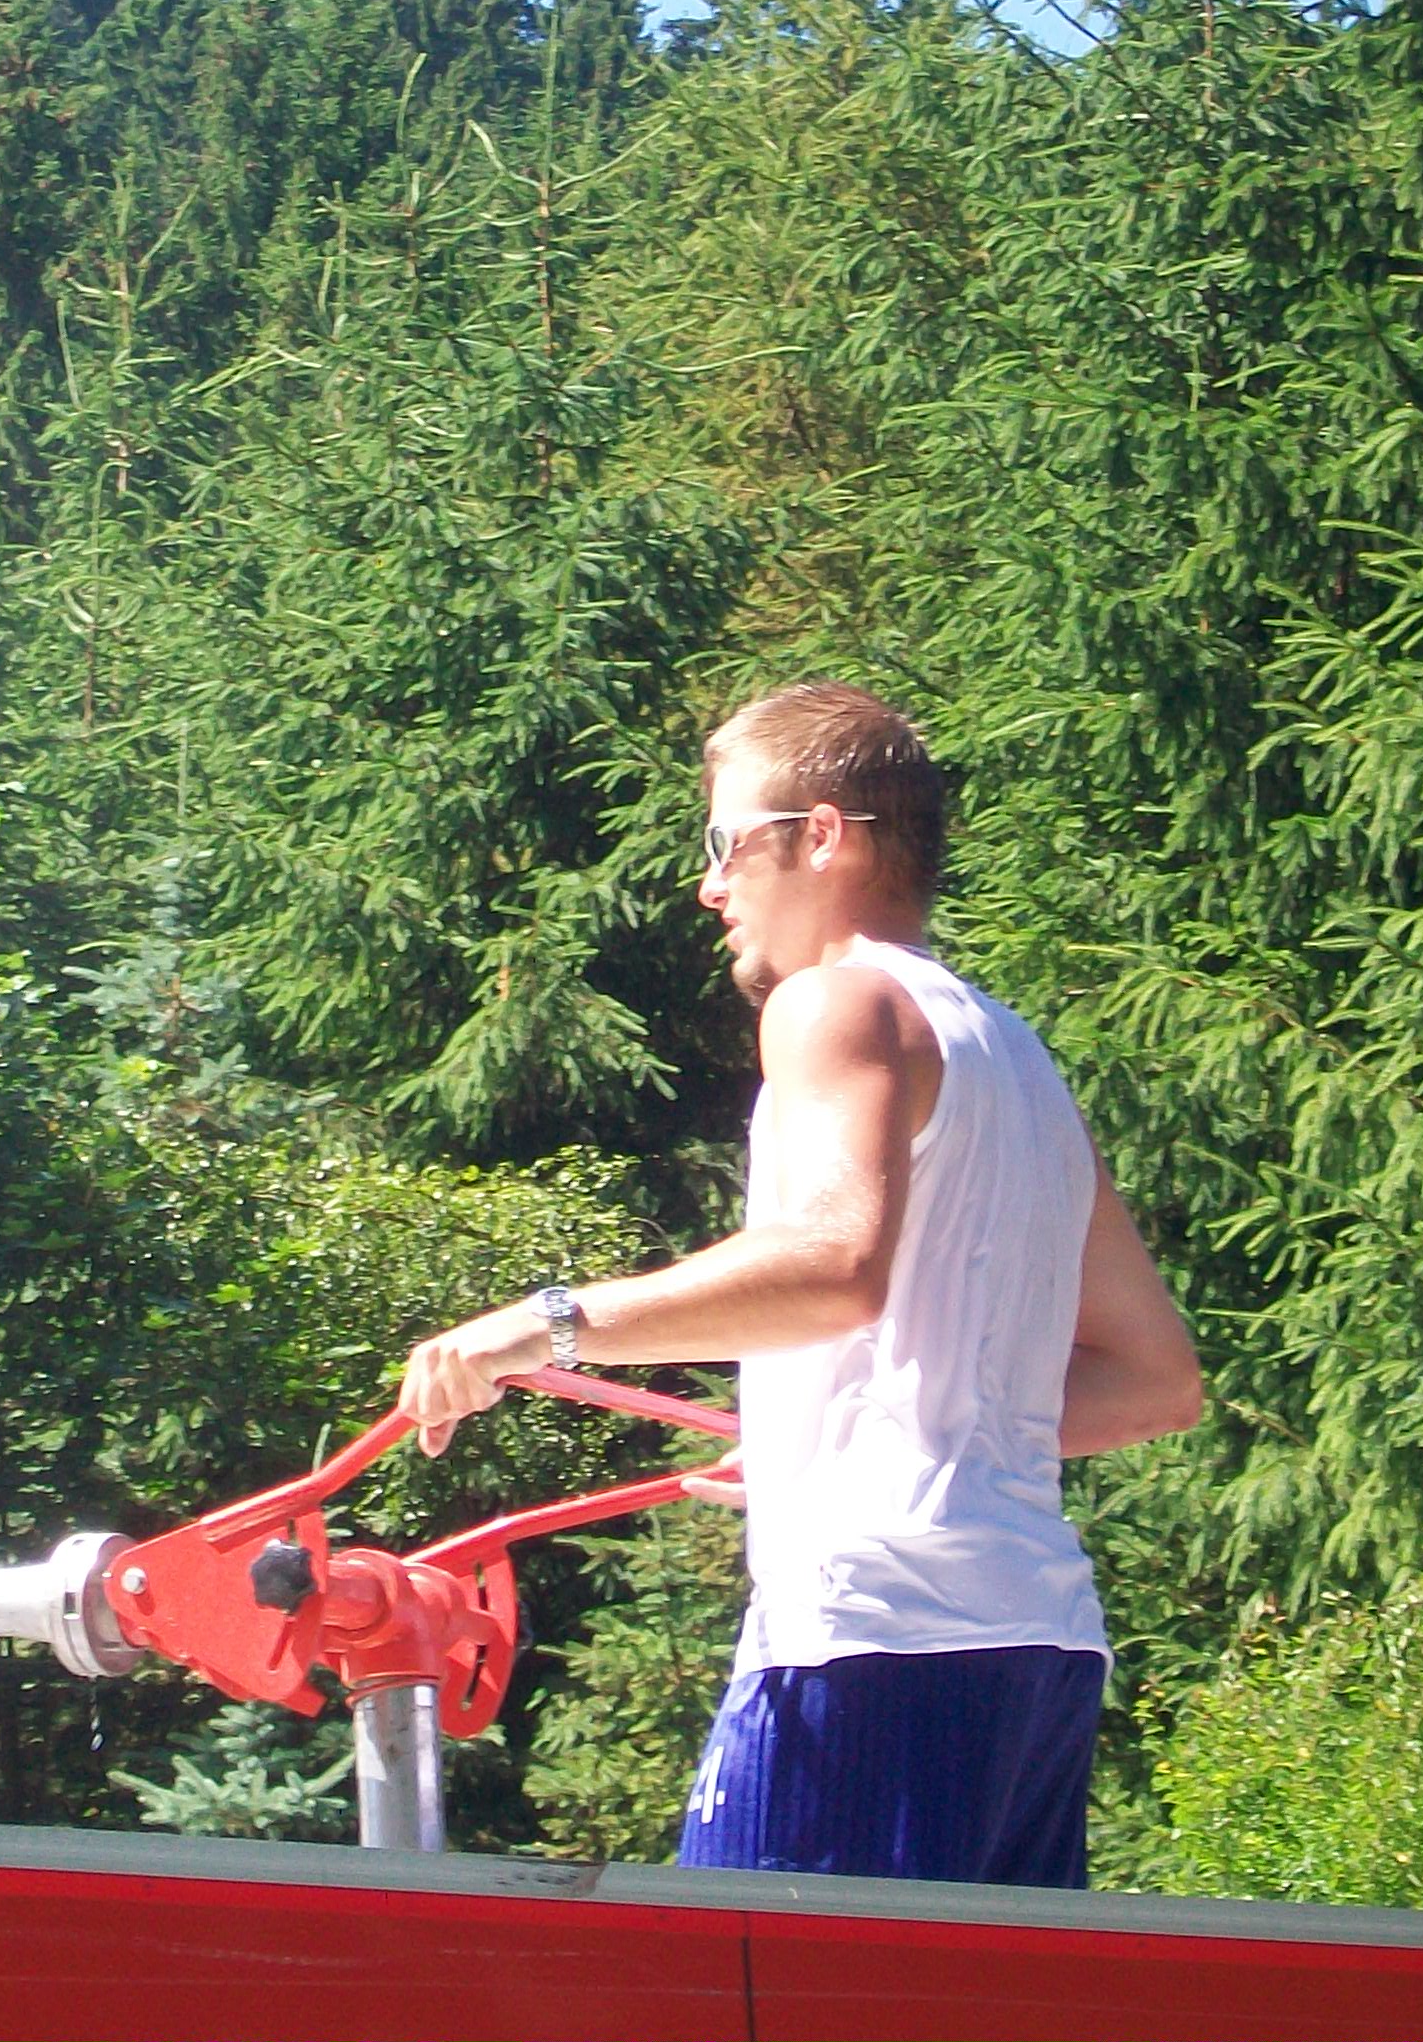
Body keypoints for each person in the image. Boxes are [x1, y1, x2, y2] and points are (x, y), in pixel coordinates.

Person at [392, 681, 1201, 1887]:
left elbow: (833, 1264)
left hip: (870, 1638)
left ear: (821, 835)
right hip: (1037, 1651)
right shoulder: (1012, 1052)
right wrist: (871, 1433)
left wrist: (543, 1324)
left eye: (724, 844)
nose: (709, 887)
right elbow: (1155, 1381)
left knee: (736, 1981)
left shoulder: (837, 1001)